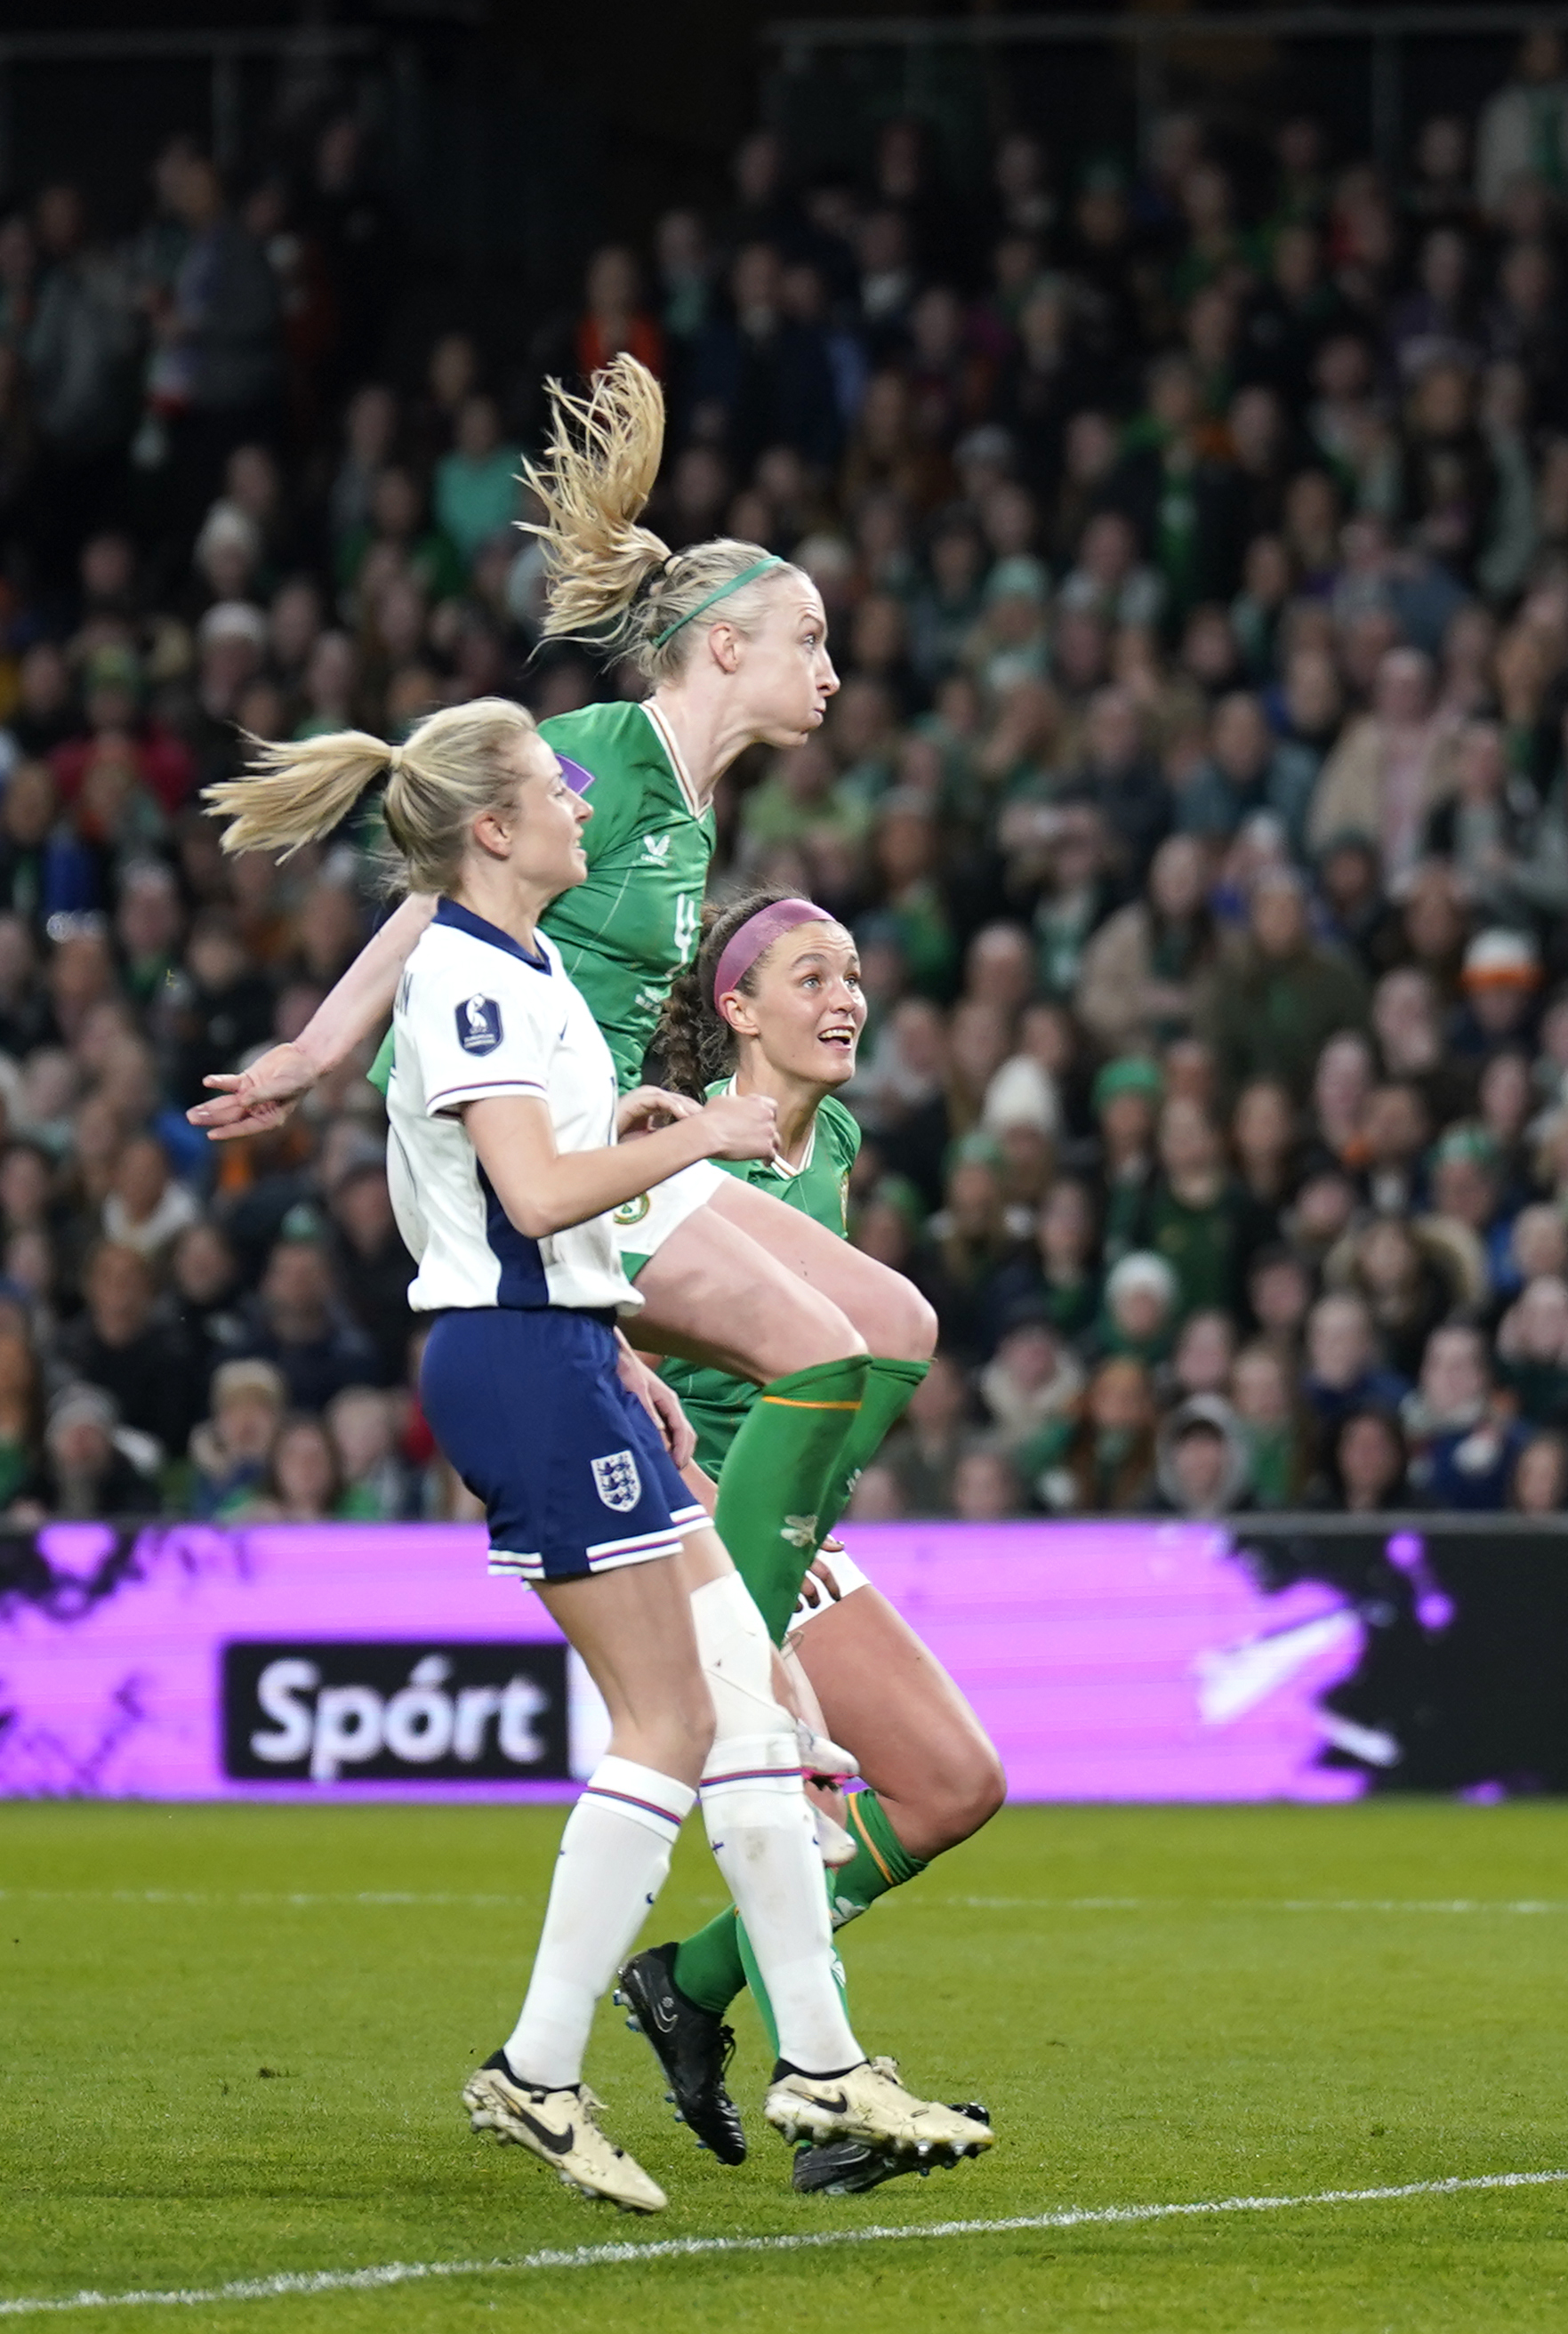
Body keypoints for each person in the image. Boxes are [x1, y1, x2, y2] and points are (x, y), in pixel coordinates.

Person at [201, 702, 989, 2213]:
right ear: (492, 832)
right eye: (554, 792)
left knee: (743, 1701)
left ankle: (819, 2057)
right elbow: (538, 1189)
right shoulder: (467, 981)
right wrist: (694, 1136)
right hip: (514, 1362)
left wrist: (627, 1258)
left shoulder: (530, 967)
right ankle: (541, 2071)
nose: (583, 806)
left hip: (567, 1351)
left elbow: (549, 1186)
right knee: (672, 1719)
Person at [189, 356, 936, 1658]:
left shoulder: (697, 808)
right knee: (824, 1353)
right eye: (807, 638)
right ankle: (743, 1652)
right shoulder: (614, 750)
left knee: (897, 1326)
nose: (833, 666)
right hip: (522, 1155)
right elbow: (442, 880)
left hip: (603, 1134)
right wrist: (315, 1051)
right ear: (722, 646)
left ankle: (753, 1561)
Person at [616, 890, 1009, 2195]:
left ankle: (688, 1982)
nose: (847, 997)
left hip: (793, 1519)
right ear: (736, 1011)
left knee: (954, 1784)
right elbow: (593, 1302)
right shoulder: (668, 1148)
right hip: (686, 1519)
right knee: (785, 1796)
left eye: (851, 974)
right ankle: (831, 2106)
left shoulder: (829, 1135)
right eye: (810, 977)